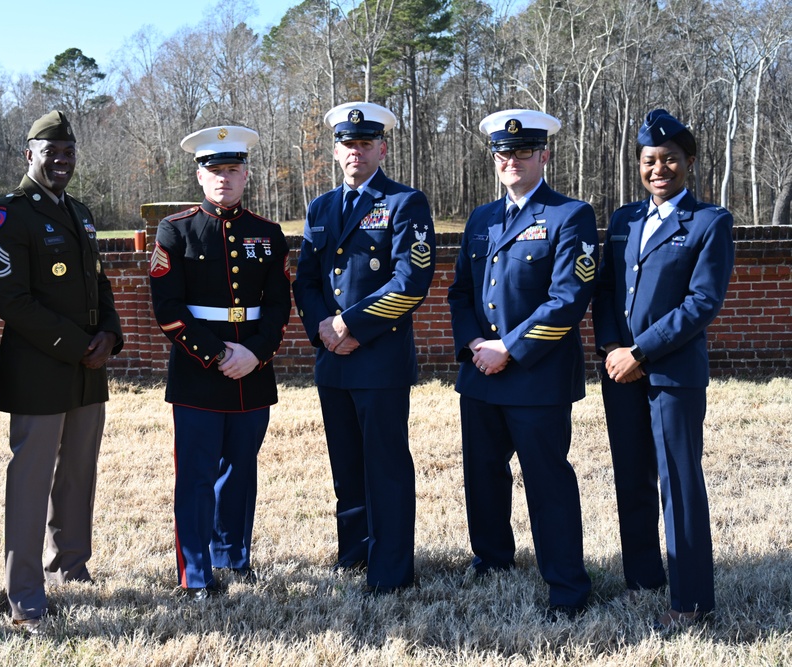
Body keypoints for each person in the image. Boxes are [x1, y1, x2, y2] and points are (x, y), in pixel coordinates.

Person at [0, 110, 123, 630]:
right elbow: (12, 302)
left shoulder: (80, 212)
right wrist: (80, 343)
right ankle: (25, 592)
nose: (61, 161)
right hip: (41, 368)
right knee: (31, 482)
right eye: (51, 153)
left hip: (87, 368)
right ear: (29, 155)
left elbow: (98, 284)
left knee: (79, 475)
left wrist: (111, 334)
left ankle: (70, 566)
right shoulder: (5, 216)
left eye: (68, 153)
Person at [447, 109, 596, 618]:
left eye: (523, 152)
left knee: (547, 481)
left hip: (536, 376)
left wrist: (507, 348)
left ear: (544, 155)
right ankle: (491, 560)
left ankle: (567, 585)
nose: (511, 160)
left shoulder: (569, 215)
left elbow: (567, 300)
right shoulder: (481, 219)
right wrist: (473, 346)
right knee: (483, 475)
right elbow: (461, 293)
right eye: (503, 153)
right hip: (480, 374)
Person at [592, 109, 734, 633]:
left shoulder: (708, 222)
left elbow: (701, 303)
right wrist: (611, 346)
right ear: (639, 165)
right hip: (619, 371)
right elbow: (605, 290)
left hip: (671, 376)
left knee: (679, 481)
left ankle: (691, 598)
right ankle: (642, 581)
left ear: (688, 162)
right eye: (649, 160)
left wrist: (640, 351)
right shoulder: (626, 220)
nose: (659, 169)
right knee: (631, 479)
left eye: (669, 159)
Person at [292, 102, 435, 595]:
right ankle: (354, 554)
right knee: (347, 467)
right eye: (347, 144)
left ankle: (391, 571)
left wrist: (350, 324)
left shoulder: (404, 203)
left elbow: (412, 281)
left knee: (386, 469)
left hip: (379, 357)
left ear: (382, 148)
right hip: (333, 359)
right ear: (336, 151)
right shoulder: (321, 208)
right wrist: (325, 331)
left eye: (365, 143)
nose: (356, 151)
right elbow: (305, 280)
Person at [149, 125, 291, 600]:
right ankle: (195, 573)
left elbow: (277, 306)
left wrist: (254, 353)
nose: (224, 179)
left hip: (253, 370)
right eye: (215, 171)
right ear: (200, 175)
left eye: (232, 170)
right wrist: (218, 354)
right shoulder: (176, 229)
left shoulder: (268, 235)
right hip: (199, 373)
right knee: (196, 476)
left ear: (246, 174)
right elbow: (167, 309)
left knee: (241, 471)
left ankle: (233, 556)